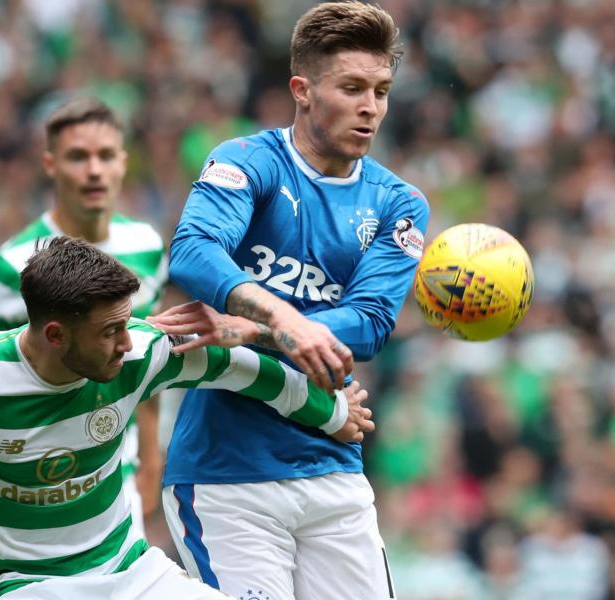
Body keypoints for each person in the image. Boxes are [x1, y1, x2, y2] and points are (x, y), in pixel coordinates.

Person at [0, 236, 375, 599]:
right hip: (23, 584)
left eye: (126, 323)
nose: (128, 342)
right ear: (53, 334)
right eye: (109, 331)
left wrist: (327, 412)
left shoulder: (137, 353)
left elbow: (235, 368)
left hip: (128, 570)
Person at [151, 3, 430, 599]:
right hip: (227, 477)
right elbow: (195, 251)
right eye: (352, 87)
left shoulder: (399, 202)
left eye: (381, 91)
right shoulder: (245, 162)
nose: (370, 108)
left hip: (333, 466)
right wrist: (282, 316)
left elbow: (372, 321)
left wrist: (260, 328)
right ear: (302, 89)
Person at [0, 97, 168, 533]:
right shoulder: (8, 267)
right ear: (50, 165)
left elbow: (148, 360)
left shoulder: (146, 246)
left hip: (118, 466)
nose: (94, 170)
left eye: (105, 156)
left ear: (123, 163)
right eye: (78, 157)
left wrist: (151, 460)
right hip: (37, 479)